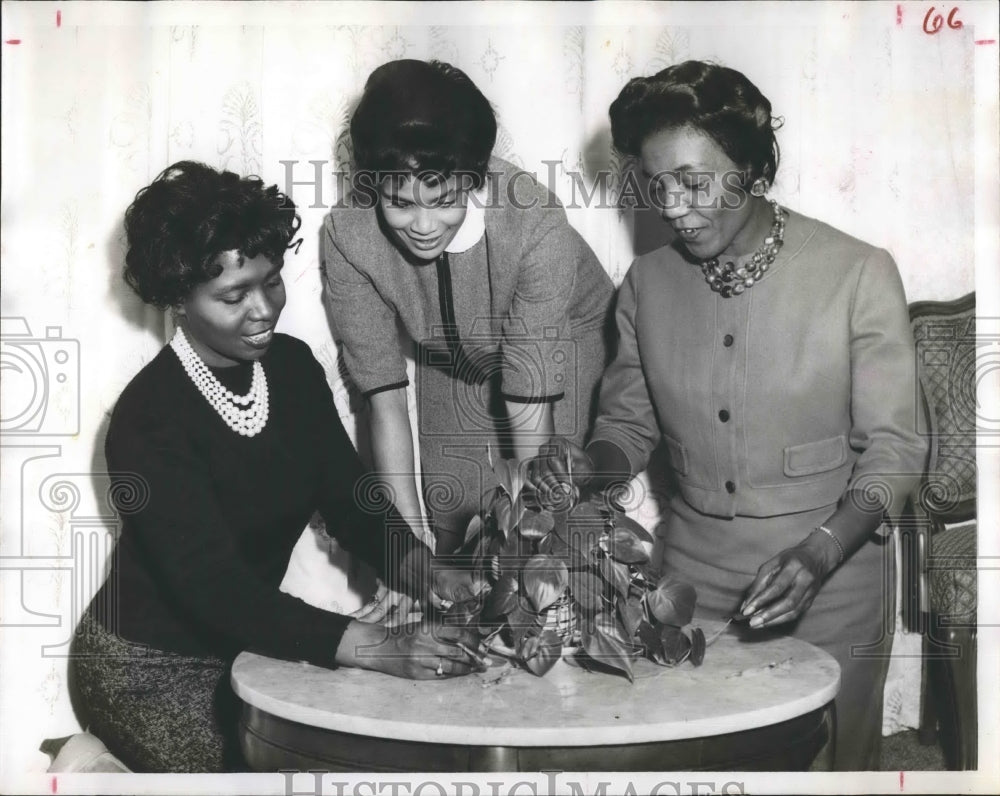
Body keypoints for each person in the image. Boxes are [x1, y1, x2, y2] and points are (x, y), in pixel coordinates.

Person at [526, 61, 928, 770]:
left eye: (694, 181)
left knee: (825, 769)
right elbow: (627, 428)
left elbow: (895, 451)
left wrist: (820, 551)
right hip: (690, 582)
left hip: (831, 575)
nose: (673, 207)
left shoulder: (858, 273)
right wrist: (590, 465)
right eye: (657, 187)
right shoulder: (646, 284)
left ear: (751, 167)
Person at [72, 161, 483, 774]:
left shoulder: (290, 369)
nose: (264, 310)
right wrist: (374, 646)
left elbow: (352, 500)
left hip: (248, 642)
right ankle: (89, 765)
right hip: (145, 664)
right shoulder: (147, 420)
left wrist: (430, 574)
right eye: (233, 296)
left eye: (272, 282)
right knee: (269, 776)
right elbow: (214, 586)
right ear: (177, 299)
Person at [322, 59, 615, 555]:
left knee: (552, 504)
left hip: (566, 336)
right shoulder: (346, 235)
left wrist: (533, 544)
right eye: (399, 202)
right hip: (448, 350)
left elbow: (529, 404)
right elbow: (384, 397)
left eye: (443, 201)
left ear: (473, 178)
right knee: (451, 508)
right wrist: (406, 549)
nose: (423, 225)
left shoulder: (535, 223)